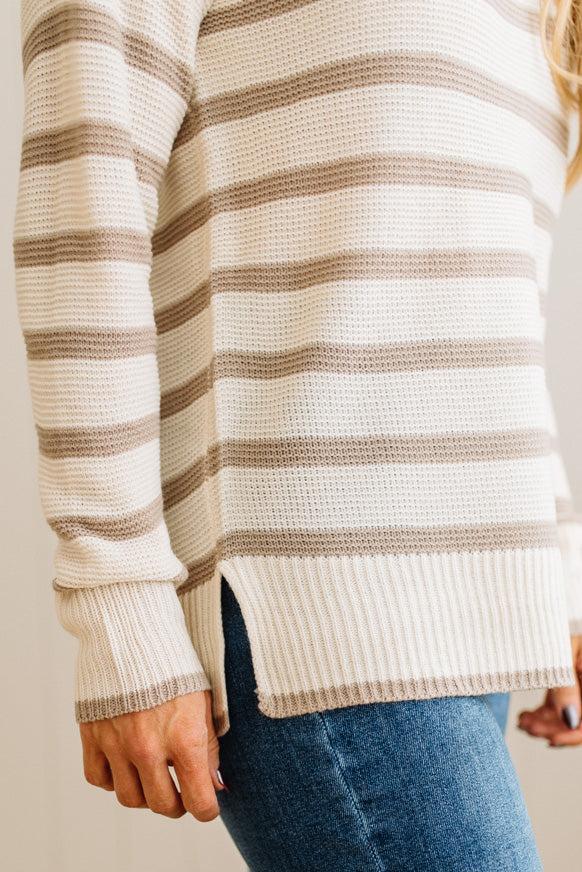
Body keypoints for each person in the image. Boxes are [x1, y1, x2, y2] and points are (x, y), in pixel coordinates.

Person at [11, 0, 582, 869]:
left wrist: (558, 580)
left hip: (472, 608)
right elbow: (80, 223)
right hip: (312, 603)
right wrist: (117, 608)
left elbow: (492, 298)